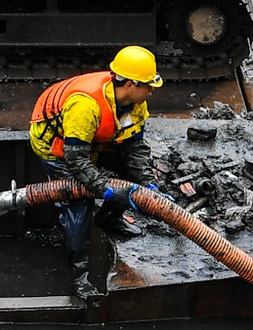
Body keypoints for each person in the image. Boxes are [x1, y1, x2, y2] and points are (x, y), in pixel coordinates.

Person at [29, 46, 165, 258]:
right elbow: (76, 160)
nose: (152, 90)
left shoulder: (136, 103)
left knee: (131, 170)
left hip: (92, 140)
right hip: (58, 149)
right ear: (130, 85)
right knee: (79, 202)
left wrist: (149, 184)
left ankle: (109, 218)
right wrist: (107, 191)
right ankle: (79, 270)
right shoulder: (86, 105)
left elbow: (135, 148)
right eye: (149, 85)